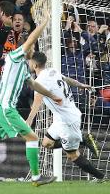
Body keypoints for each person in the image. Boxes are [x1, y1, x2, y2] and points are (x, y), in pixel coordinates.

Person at [0, 13, 60, 188]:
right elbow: (29, 40)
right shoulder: (14, 56)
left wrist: (52, 96)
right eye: (32, 47)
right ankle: (36, 178)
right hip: (5, 108)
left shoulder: (22, 68)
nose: (33, 49)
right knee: (32, 137)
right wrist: (44, 22)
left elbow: (34, 85)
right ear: (26, 48)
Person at [26, 52, 104, 180]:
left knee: (73, 155)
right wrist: (80, 85)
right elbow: (67, 79)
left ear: (34, 64)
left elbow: (37, 101)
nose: (28, 63)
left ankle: (100, 177)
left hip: (68, 121)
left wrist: (29, 120)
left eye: (29, 61)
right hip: (60, 118)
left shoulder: (39, 81)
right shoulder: (53, 71)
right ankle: (83, 140)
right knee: (47, 143)